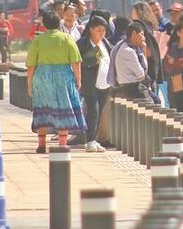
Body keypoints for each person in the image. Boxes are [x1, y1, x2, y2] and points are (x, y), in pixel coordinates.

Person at [26, 11, 86, 154]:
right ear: (59, 23)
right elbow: (76, 62)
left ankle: (41, 144)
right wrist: (78, 79)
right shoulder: (66, 39)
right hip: (63, 76)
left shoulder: (38, 40)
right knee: (63, 108)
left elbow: (31, 65)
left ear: (44, 24)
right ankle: (62, 143)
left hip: (42, 77)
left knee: (42, 108)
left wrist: (29, 84)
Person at [75, 15, 112, 153]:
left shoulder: (105, 43)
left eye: (103, 30)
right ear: (91, 29)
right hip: (90, 84)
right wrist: (92, 58)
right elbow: (79, 61)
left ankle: (93, 139)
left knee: (99, 112)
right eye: (98, 30)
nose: (101, 33)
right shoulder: (82, 44)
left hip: (104, 84)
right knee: (93, 111)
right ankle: (89, 140)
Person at [132, 1, 166, 104]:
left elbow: (149, 51)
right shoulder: (149, 26)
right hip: (153, 70)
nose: (131, 14)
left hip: (147, 71)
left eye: (133, 11)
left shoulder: (141, 28)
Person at [108, 22, 151, 101]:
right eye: (141, 34)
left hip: (131, 86)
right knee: (153, 103)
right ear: (134, 33)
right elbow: (141, 74)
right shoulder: (128, 51)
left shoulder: (124, 45)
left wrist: (143, 49)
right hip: (132, 88)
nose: (143, 38)